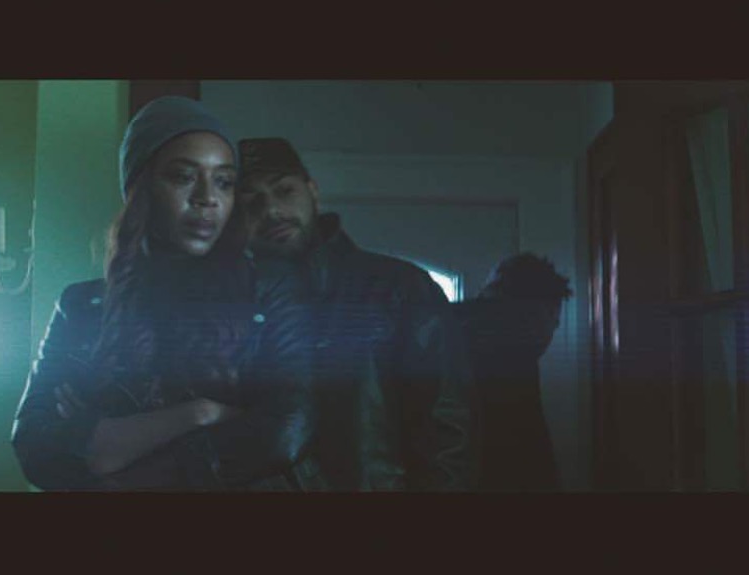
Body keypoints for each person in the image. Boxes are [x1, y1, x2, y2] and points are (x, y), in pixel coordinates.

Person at [12, 97, 325, 491]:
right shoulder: (82, 305)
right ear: (141, 188)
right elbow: (35, 445)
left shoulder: (269, 290)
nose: (207, 197)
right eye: (183, 177)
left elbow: (283, 433)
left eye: (224, 181)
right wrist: (199, 414)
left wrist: (115, 447)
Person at [236, 137, 475, 491]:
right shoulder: (226, 308)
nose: (271, 210)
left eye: (284, 190)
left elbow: (449, 432)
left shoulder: (400, 288)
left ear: (312, 192)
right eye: (251, 201)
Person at [454, 253, 571, 491]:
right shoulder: (513, 350)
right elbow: (523, 448)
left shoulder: (453, 327)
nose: (555, 326)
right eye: (554, 315)